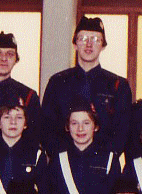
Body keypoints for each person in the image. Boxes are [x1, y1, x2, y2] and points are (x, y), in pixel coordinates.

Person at [42, 16, 132, 154]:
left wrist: (102, 159)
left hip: (103, 165)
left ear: (103, 46)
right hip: (64, 165)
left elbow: (122, 133)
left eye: (95, 39)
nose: (89, 44)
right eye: (83, 38)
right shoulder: (57, 82)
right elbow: (47, 128)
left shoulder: (118, 85)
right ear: (74, 44)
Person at [42, 95, 118, 194]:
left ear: (95, 126)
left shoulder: (109, 158)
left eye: (86, 123)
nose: (80, 129)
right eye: (74, 123)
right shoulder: (58, 159)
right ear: (67, 127)